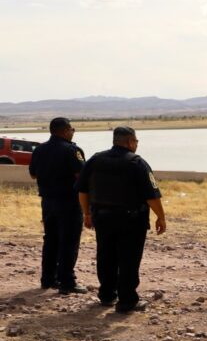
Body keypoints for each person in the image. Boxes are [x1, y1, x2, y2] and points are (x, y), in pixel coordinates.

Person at [76, 127, 166, 313]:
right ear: (130, 142)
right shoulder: (136, 162)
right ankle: (127, 301)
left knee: (106, 255)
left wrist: (87, 213)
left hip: (102, 218)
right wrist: (161, 217)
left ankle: (107, 295)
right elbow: (151, 195)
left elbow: (82, 190)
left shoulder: (95, 159)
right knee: (129, 259)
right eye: (136, 142)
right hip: (131, 220)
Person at [28, 117, 87, 294]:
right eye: (72, 129)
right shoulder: (72, 150)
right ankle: (67, 281)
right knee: (69, 241)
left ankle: (48, 279)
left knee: (51, 240)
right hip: (68, 202)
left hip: (48, 202)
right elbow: (82, 177)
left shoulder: (39, 149)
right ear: (64, 131)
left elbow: (33, 175)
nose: (72, 132)